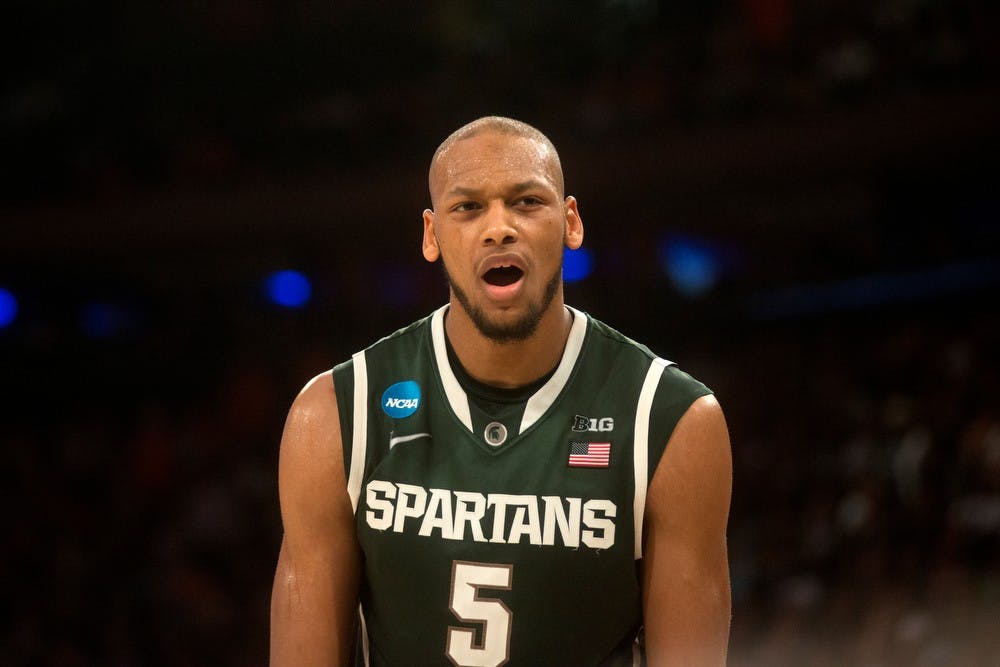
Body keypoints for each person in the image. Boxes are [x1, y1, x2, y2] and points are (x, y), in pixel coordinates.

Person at [270, 116, 732, 666]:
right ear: (431, 235)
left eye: (527, 202)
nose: (499, 228)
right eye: (467, 207)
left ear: (571, 222)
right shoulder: (333, 416)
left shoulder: (672, 420)